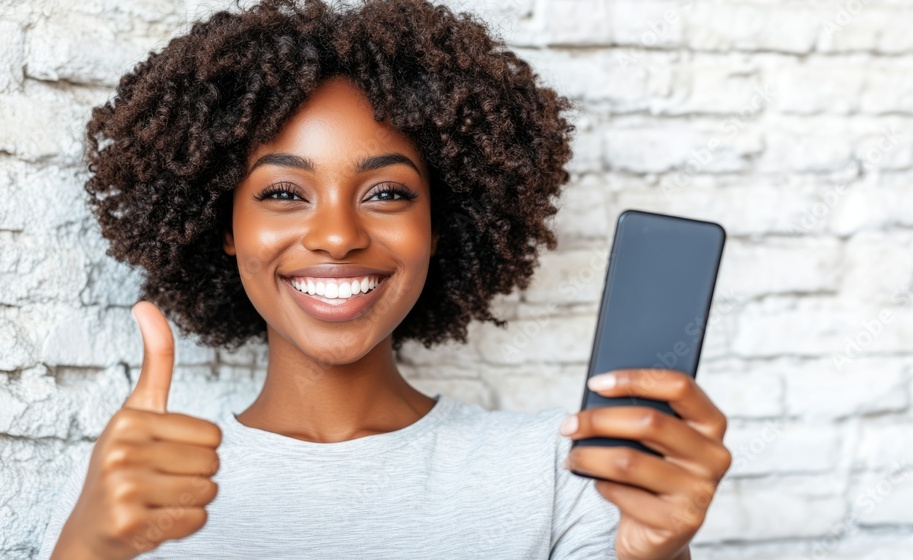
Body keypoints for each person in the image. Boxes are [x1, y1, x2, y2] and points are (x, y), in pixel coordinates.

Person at [37, 0, 731, 558]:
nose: (338, 236)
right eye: (283, 193)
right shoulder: (129, 482)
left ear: (439, 225)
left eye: (388, 194)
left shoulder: (563, 476)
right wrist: (87, 550)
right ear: (224, 226)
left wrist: (655, 557)